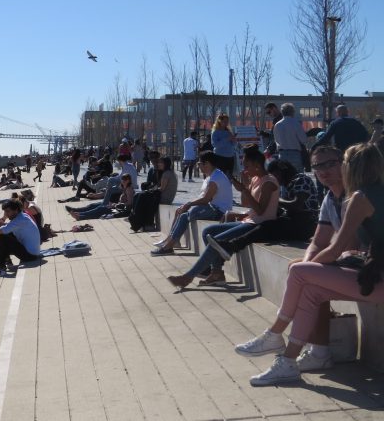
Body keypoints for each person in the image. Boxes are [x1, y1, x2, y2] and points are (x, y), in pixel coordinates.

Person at [234, 143, 384, 386]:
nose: (326, 170)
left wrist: (307, 268)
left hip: (377, 279)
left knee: (299, 271)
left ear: (351, 166)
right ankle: (290, 362)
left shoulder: (360, 198)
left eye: (338, 163)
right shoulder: (373, 192)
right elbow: (329, 244)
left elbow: (337, 249)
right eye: (318, 166)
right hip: (374, 275)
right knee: (312, 288)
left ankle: (275, 334)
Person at [167, 144, 279, 288]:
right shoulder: (256, 179)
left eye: (247, 166)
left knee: (218, 239)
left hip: (259, 224)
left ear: (257, 165)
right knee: (208, 231)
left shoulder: (269, 182)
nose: (245, 170)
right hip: (249, 220)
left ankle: (188, 277)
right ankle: (216, 272)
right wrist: (244, 186)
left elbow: (261, 211)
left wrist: (244, 189)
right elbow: (246, 204)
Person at [151, 151, 234, 255]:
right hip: (212, 208)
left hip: (219, 212)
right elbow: (203, 198)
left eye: (199, 163)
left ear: (207, 164)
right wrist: (187, 205)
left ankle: (169, 245)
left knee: (185, 216)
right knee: (181, 211)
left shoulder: (216, 178)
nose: (198, 166)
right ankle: (170, 241)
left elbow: (206, 199)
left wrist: (189, 204)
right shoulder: (211, 176)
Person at [0, 199, 41, 274]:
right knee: (6, 235)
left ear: (16, 210)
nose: (6, 214)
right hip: (32, 253)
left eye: (7, 211)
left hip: (30, 256)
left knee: (2, 237)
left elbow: (4, 229)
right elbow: (9, 226)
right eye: (5, 211)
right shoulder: (23, 216)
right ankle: (3, 263)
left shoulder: (20, 219)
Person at [273, 103, 308, 172]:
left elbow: (276, 140)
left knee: (284, 178)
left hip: (282, 154)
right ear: (292, 112)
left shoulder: (277, 125)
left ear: (282, 112)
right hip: (295, 154)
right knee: (297, 177)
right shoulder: (296, 123)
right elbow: (304, 140)